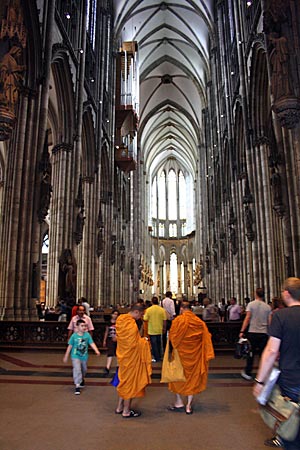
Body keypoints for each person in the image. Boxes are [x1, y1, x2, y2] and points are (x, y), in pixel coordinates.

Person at [253, 277, 300, 450]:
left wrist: (260, 381)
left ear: (287, 294)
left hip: (291, 378)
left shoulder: (281, 315)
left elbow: (272, 351)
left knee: (291, 420)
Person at [167, 301, 215, 414]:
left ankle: (179, 402)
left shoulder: (178, 320)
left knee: (177, 376)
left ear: (182, 309)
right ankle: (188, 405)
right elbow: (206, 337)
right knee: (192, 378)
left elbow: (173, 338)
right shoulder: (198, 322)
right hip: (194, 355)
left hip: (180, 354)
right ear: (191, 309)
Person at [115, 303, 152, 418]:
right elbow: (133, 344)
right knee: (129, 383)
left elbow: (123, 339)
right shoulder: (131, 324)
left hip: (123, 356)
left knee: (124, 381)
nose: (140, 317)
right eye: (140, 314)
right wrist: (144, 341)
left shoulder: (120, 319)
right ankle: (126, 410)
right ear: (136, 312)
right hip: (131, 358)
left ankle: (119, 407)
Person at [239, 288, 271, 380]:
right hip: (264, 333)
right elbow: (270, 322)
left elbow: (247, 318)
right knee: (263, 354)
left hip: (253, 332)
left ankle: (248, 372)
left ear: (255, 294)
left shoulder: (251, 304)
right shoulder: (267, 307)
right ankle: (264, 374)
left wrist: (242, 331)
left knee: (250, 353)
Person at [63, 319, 100, 395]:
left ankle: (82, 378)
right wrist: (66, 355)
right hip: (75, 355)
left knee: (84, 369)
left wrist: (96, 350)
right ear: (77, 326)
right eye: (82, 326)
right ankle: (77, 385)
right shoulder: (74, 336)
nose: (84, 327)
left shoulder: (87, 335)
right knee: (77, 369)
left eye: (85, 326)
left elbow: (91, 343)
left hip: (84, 356)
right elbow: (70, 346)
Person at [143, 296, 167, 363]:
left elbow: (145, 319)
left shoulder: (148, 310)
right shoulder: (162, 310)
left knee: (154, 345)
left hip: (151, 329)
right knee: (159, 344)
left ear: (152, 302)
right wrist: (164, 328)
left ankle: (157, 358)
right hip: (159, 329)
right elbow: (164, 320)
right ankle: (159, 356)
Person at [103, 309, 120, 376]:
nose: (115, 315)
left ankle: (118, 366)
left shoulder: (119, 322)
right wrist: (104, 340)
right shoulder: (109, 323)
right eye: (114, 314)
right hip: (110, 339)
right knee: (110, 352)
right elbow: (106, 331)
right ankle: (107, 367)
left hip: (118, 339)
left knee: (118, 353)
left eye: (116, 314)